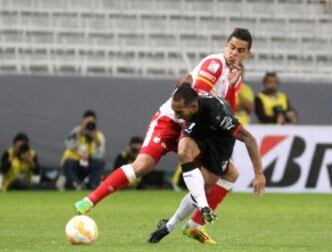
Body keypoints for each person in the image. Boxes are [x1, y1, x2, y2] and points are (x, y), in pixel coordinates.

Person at [73, 28, 252, 240]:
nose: (234, 53)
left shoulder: (235, 77)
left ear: (247, 54)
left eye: (240, 50)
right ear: (225, 45)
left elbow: (227, 111)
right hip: (172, 120)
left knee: (222, 176)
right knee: (143, 165)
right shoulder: (214, 64)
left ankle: (194, 225)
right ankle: (89, 201)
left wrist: (231, 86)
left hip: (195, 128)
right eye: (232, 47)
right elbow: (197, 101)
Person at [148, 83, 265, 244]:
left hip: (220, 142)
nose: (177, 115)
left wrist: (259, 174)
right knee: (184, 152)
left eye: (179, 112)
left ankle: (169, 226)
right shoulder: (186, 100)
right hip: (198, 131)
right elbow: (185, 83)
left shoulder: (218, 114)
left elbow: (248, 139)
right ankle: (202, 209)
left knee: (208, 185)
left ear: (193, 106)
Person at [61, 110, 105, 190]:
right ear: (83, 121)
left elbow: (100, 154)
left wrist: (94, 138)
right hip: (76, 161)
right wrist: (79, 133)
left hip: (89, 162)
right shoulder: (77, 131)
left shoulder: (99, 135)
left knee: (99, 162)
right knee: (69, 162)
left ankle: (93, 187)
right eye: (87, 121)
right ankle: (75, 185)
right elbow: (67, 143)